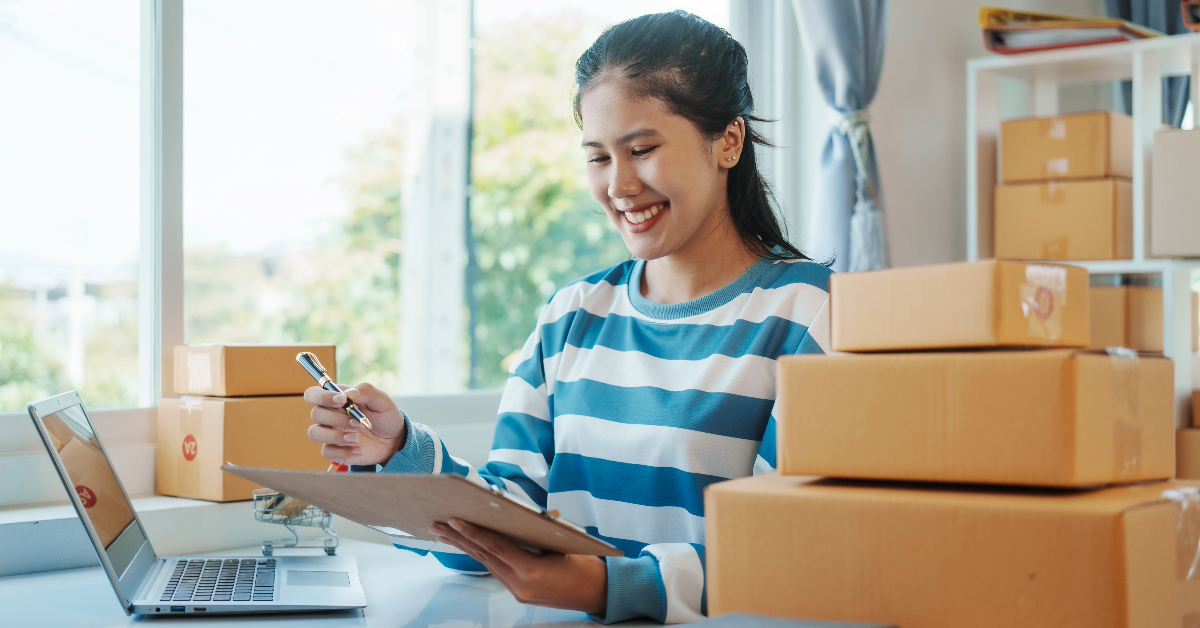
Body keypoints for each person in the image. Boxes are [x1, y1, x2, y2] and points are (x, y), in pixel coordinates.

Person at [304, 10, 832, 624]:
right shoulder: (570, 315)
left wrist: (601, 586)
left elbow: (792, 549)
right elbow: (508, 520)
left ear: (729, 142)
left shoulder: (815, 314)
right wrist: (397, 449)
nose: (620, 184)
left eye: (642, 149)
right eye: (598, 157)